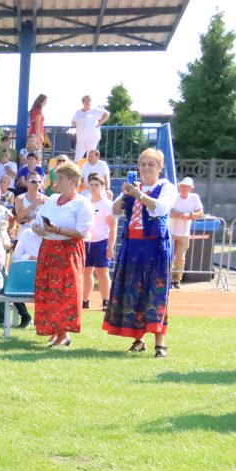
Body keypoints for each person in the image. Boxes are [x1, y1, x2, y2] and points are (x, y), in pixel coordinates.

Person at [104, 148, 178, 358]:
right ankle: (139, 339)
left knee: (155, 291)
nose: (146, 168)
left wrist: (140, 195)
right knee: (133, 291)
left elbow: (161, 208)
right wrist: (125, 197)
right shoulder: (133, 187)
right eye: (143, 164)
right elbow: (115, 212)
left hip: (155, 245)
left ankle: (160, 344)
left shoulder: (166, 187)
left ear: (160, 168)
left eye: (151, 164)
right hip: (133, 244)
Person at [32, 161, 93, 348]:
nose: (56, 182)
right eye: (56, 178)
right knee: (48, 290)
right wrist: (38, 229)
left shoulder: (82, 203)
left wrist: (57, 230)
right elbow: (36, 221)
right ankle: (54, 330)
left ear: (74, 181)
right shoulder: (52, 200)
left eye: (60, 179)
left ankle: (64, 333)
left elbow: (82, 231)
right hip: (48, 249)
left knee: (66, 292)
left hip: (68, 251)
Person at [82, 174, 116, 310]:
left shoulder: (107, 204)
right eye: (92, 185)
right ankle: (85, 300)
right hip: (87, 241)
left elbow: (113, 227)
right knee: (86, 272)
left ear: (103, 187)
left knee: (102, 272)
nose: (94, 187)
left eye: (97, 185)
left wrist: (110, 247)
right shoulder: (86, 202)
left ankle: (106, 300)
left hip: (102, 241)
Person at [168, 176, 204, 289]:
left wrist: (190, 215)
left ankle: (176, 279)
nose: (183, 189)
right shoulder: (174, 196)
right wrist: (181, 215)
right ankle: (166, 279)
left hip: (184, 233)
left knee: (180, 258)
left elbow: (200, 212)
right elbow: (169, 210)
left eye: (185, 187)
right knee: (168, 257)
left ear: (190, 188)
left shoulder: (194, 198)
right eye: (182, 186)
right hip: (171, 231)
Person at [72, 95, 109, 162]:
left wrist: (99, 123)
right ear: (83, 102)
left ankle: (91, 171)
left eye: (89, 102)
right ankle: (76, 171)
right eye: (87, 102)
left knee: (91, 154)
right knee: (78, 157)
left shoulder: (94, 110)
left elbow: (107, 114)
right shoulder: (78, 112)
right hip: (81, 137)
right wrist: (75, 124)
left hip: (91, 136)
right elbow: (73, 122)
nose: (88, 103)